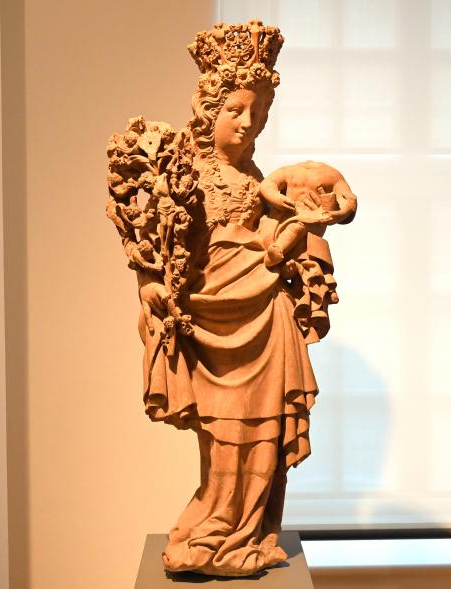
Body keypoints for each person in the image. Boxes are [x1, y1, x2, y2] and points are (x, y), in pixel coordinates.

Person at [108, 21, 355, 577]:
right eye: (237, 110)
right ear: (208, 110)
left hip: (266, 316)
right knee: (224, 434)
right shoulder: (184, 172)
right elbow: (152, 242)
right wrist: (149, 284)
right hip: (212, 317)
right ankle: (214, 529)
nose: (248, 123)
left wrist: (311, 223)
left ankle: (248, 533)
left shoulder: (258, 177)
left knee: (264, 430)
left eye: (259, 113)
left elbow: (281, 227)